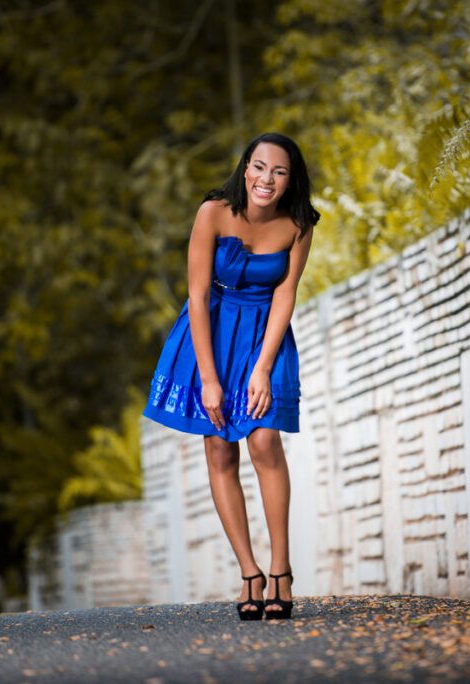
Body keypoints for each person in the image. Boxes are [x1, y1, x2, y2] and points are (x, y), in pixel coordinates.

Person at [143, 132, 319, 620]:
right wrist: (209, 379)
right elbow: (198, 296)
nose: (267, 179)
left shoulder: (299, 224)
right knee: (220, 446)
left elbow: (285, 294)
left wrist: (263, 367)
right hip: (212, 334)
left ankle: (281, 569)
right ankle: (250, 573)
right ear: (246, 169)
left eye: (279, 172)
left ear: (290, 180)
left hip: (266, 333)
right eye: (259, 167)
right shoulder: (213, 212)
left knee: (263, 442)